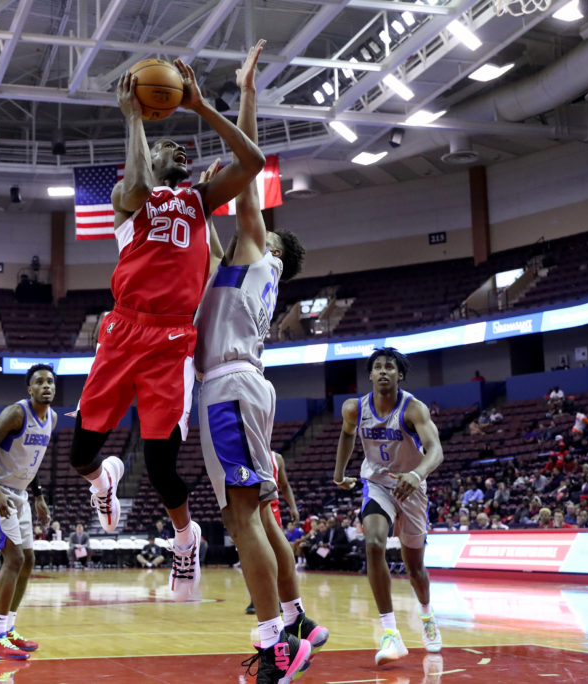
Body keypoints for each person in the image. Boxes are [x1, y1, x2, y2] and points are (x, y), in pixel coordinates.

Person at [67, 41, 266, 607]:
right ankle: (101, 482)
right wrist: (134, 120)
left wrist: (202, 106)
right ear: (149, 158)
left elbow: (251, 164)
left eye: (181, 144)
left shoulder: (199, 202)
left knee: (159, 466)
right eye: (166, 144)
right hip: (123, 332)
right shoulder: (129, 198)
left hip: (172, 339)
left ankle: (186, 538)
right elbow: (134, 186)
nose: (178, 146)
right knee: (81, 457)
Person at [191, 42, 319, 684]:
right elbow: (211, 253)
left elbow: (252, 164)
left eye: (262, 222)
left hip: (229, 388)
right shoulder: (248, 266)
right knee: (256, 515)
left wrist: (245, 93)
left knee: (242, 518)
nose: (254, 217)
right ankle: (296, 621)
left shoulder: (258, 248)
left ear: (271, 242)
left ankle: (276, 644)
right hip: (243, 386)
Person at [334, 347, 444, 666]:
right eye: (378, 367)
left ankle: (426, 615)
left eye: (390, 367)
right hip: (377, 483)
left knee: (416, 569)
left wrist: (417, 473)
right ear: (370, 375)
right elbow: (346, 435)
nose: (383, 371)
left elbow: (436, 450)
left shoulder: (413, 409)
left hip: (411, 486)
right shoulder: (355, 408)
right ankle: (390, 633)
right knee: (373, 542)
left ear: (400, 375)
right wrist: (339, 474)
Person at [0, 364, 55, 661]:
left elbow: (31, 463)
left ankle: (8, 630)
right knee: (14, 558)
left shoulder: (52, 419)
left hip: (20, 493)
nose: (46, 386)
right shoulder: (16, 414)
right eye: (39, 382)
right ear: (29, 389)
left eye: (50, 381)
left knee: (29, 558)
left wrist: (38, 497)